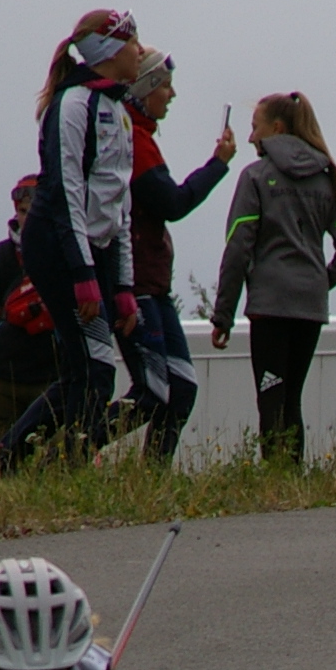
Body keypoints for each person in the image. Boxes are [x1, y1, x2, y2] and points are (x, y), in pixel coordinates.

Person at [0, 9, 149, 468]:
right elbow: (66, 192)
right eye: (133, 43)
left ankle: (17, 464)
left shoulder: (119, 111)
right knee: (95, 367)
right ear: (109, 50)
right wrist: (83, 275)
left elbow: (119, 205)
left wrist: (123, 286)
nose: (141, 51)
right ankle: (58, 465)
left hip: (93, 248)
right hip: (57, 246)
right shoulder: (73, 104)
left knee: (87, 369)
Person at [209, 91, 336, 467]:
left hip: (271, 307)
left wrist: (223, 315)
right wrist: (318, 282)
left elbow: (238, 249)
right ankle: (293, 476)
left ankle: (276, 477)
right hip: (310, 308)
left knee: (271, 394)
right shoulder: (328, 179)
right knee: (292, 397)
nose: (250, 137)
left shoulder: (256, 177)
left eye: (254, 127)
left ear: (276, 128)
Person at [121, 55, 235, 460]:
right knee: (152, 392)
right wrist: (217, 165)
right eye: (165, 86)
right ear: (146, 89)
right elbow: (173, 202)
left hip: (154, 285)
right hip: (136, 284)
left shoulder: (141, 136)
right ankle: (71, 453)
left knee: (181, 389)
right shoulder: (134, 140)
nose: (172, 95)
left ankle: (152, 476)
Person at [0, 177, 59, 458]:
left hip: (51, 383)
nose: (29, 219)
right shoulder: (0, 258)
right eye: (24, 211)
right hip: (2, 383)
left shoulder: (67, 258)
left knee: (56, 464)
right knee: (3, 463)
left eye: (35, 211)